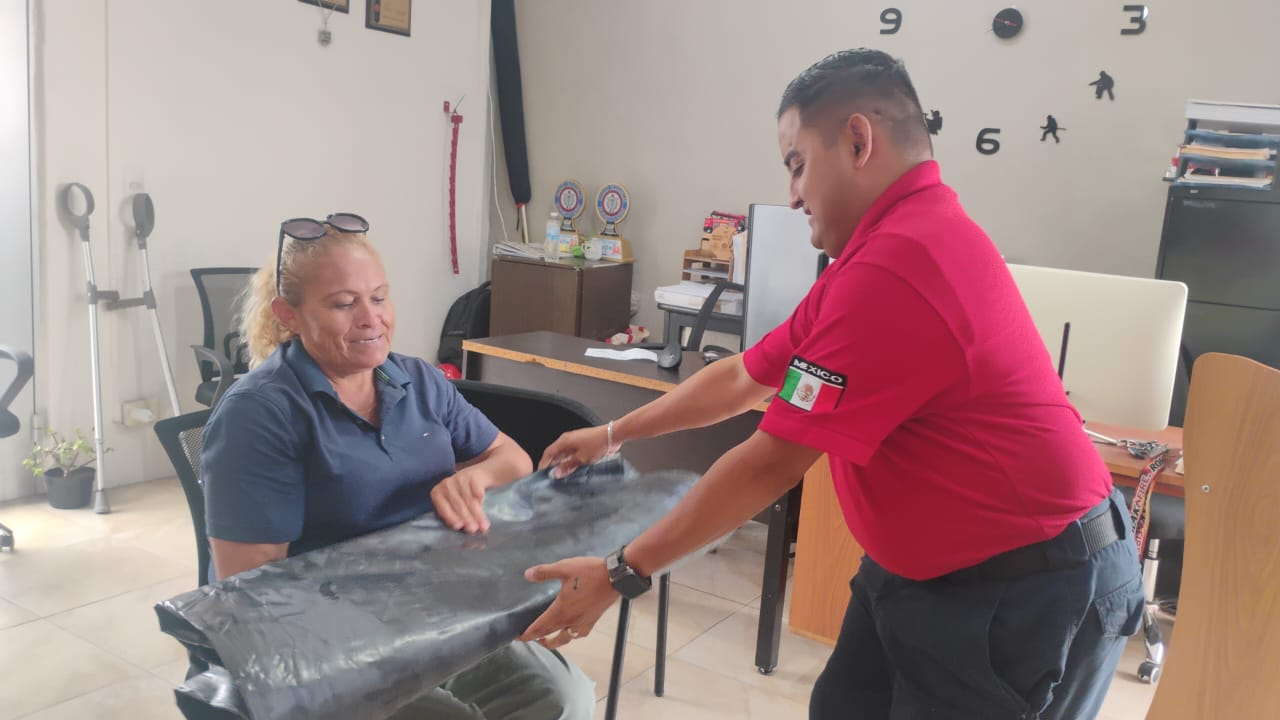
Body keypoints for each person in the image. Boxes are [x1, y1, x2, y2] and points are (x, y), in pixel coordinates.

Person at [518, 49, 1143, 720]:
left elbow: (773, 462)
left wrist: (621, 571)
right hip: (920, 572)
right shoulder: (877, 253)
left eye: (796, 164)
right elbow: (743, 377)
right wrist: (614, 433)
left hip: (1027, 585)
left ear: (857, 141)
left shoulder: (902, 262)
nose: (791, 195)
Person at [200, 215, 594, 720]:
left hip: (425, 610)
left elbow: (512, 460)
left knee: (561, 699)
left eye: (379, 297)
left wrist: (473, 478)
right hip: (311, 640)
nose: (371, 319)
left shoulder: (416, 380)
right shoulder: (259, 415)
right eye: (344, 304)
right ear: (289, 315)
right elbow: (250, 589)